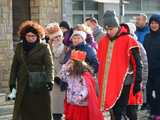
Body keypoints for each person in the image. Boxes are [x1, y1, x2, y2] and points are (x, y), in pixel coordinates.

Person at [97, 10, 142, 120]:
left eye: (111, 29)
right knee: (114, 112)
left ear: (117, 26)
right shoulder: (103, 41)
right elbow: (101, 63)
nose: (108, 32)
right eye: (106, 29)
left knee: (123, 112)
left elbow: (138, 63)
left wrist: (138, 82)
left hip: (125, 82)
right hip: (109, 83)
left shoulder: (129, 40)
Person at [9, 20, 54, 120]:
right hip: (23, 82)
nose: (30, 38)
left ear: (38, 36)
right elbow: (15, 66)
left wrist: (50, 81)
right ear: (24, 35)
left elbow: (49, 66)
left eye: (33, 36)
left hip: (39, 83)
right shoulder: (19, 47)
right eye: (28, 36)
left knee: (40, 111)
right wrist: (12, 83)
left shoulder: (44, 47)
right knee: (24, 110)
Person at [58, 50, 104, 120]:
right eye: (70, 63)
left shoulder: (84, 76)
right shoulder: (70, 74)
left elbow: (86, 89)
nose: (70, 65)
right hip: (72, 103)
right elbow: (62, 77)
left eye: (72, 63)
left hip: (81, 105)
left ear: (78, 65)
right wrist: (65, 66)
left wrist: (80, 96)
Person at [123, 22, 148, 120]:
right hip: (123, 85)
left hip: (134, 84)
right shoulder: (120, 44)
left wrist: (142, 82)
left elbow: (144, 65)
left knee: (132, 111)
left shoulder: (137, 45)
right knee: (122, 110)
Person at [45, 23, 65, 120]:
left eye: (59, 36)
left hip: (65, 81)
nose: (58, 39)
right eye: (55, 37)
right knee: (55, 111)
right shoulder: (47, 49)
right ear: (51, 39)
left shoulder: (67, 48)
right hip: (53, 82)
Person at [143, 14, 160, 120]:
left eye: (156, 23)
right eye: (152, 23)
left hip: (159, 71)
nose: (153, 25)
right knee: (149, 93)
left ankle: (158, 113)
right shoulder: (147, 36)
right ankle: (153, 111)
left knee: (158, 93)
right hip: (148, 71)